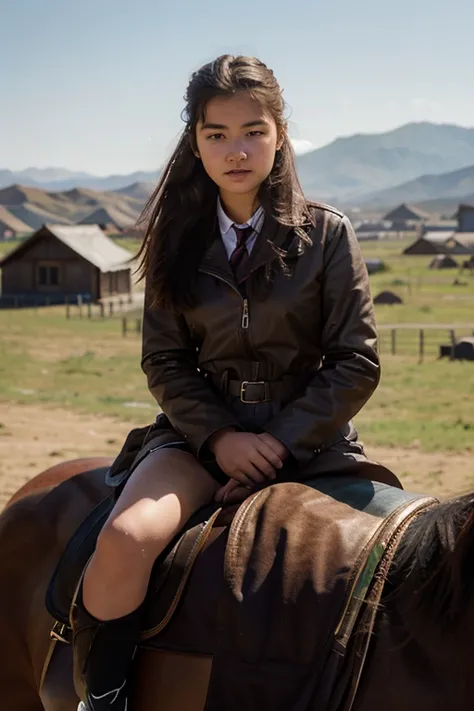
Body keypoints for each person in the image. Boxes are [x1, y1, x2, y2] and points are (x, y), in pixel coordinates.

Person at [71, 53, 388, 711]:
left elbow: (356, 360)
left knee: (396, 564)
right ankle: (100, 699)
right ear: (196, 141)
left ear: (279, 134)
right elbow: (165, 360)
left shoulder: (328, 234)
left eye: (252, 131)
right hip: (195, 440)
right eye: (216, 134)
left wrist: (278, 441)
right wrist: (218, 438)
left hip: (313, 443)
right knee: (126, 539)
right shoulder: (173, 240)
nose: (235, 150)